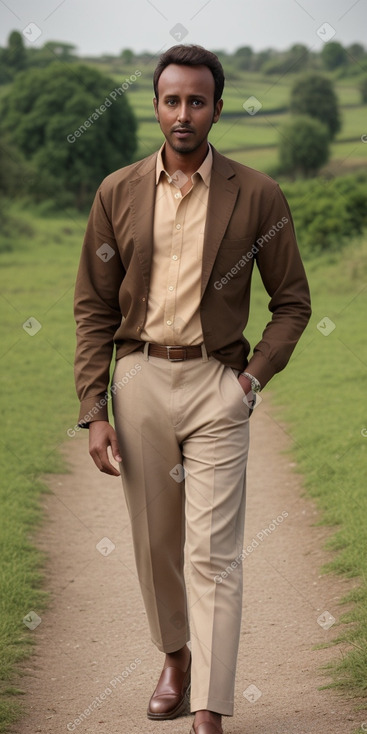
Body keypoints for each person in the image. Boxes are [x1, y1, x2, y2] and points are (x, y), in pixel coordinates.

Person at [73, 44, 311, 734]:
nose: (183, 113)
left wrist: (248, 380)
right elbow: (93, 305)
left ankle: (207, 705)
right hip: (139, 378)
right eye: (171, 100)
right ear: (155, 105)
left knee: (214, 552)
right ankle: (173, 657)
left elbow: (291, 301)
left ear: (215, 107)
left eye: (196, 100)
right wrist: (94, 408)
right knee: (154, 543)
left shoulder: (256, 193)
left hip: (216, 385)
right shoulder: (116, 192)